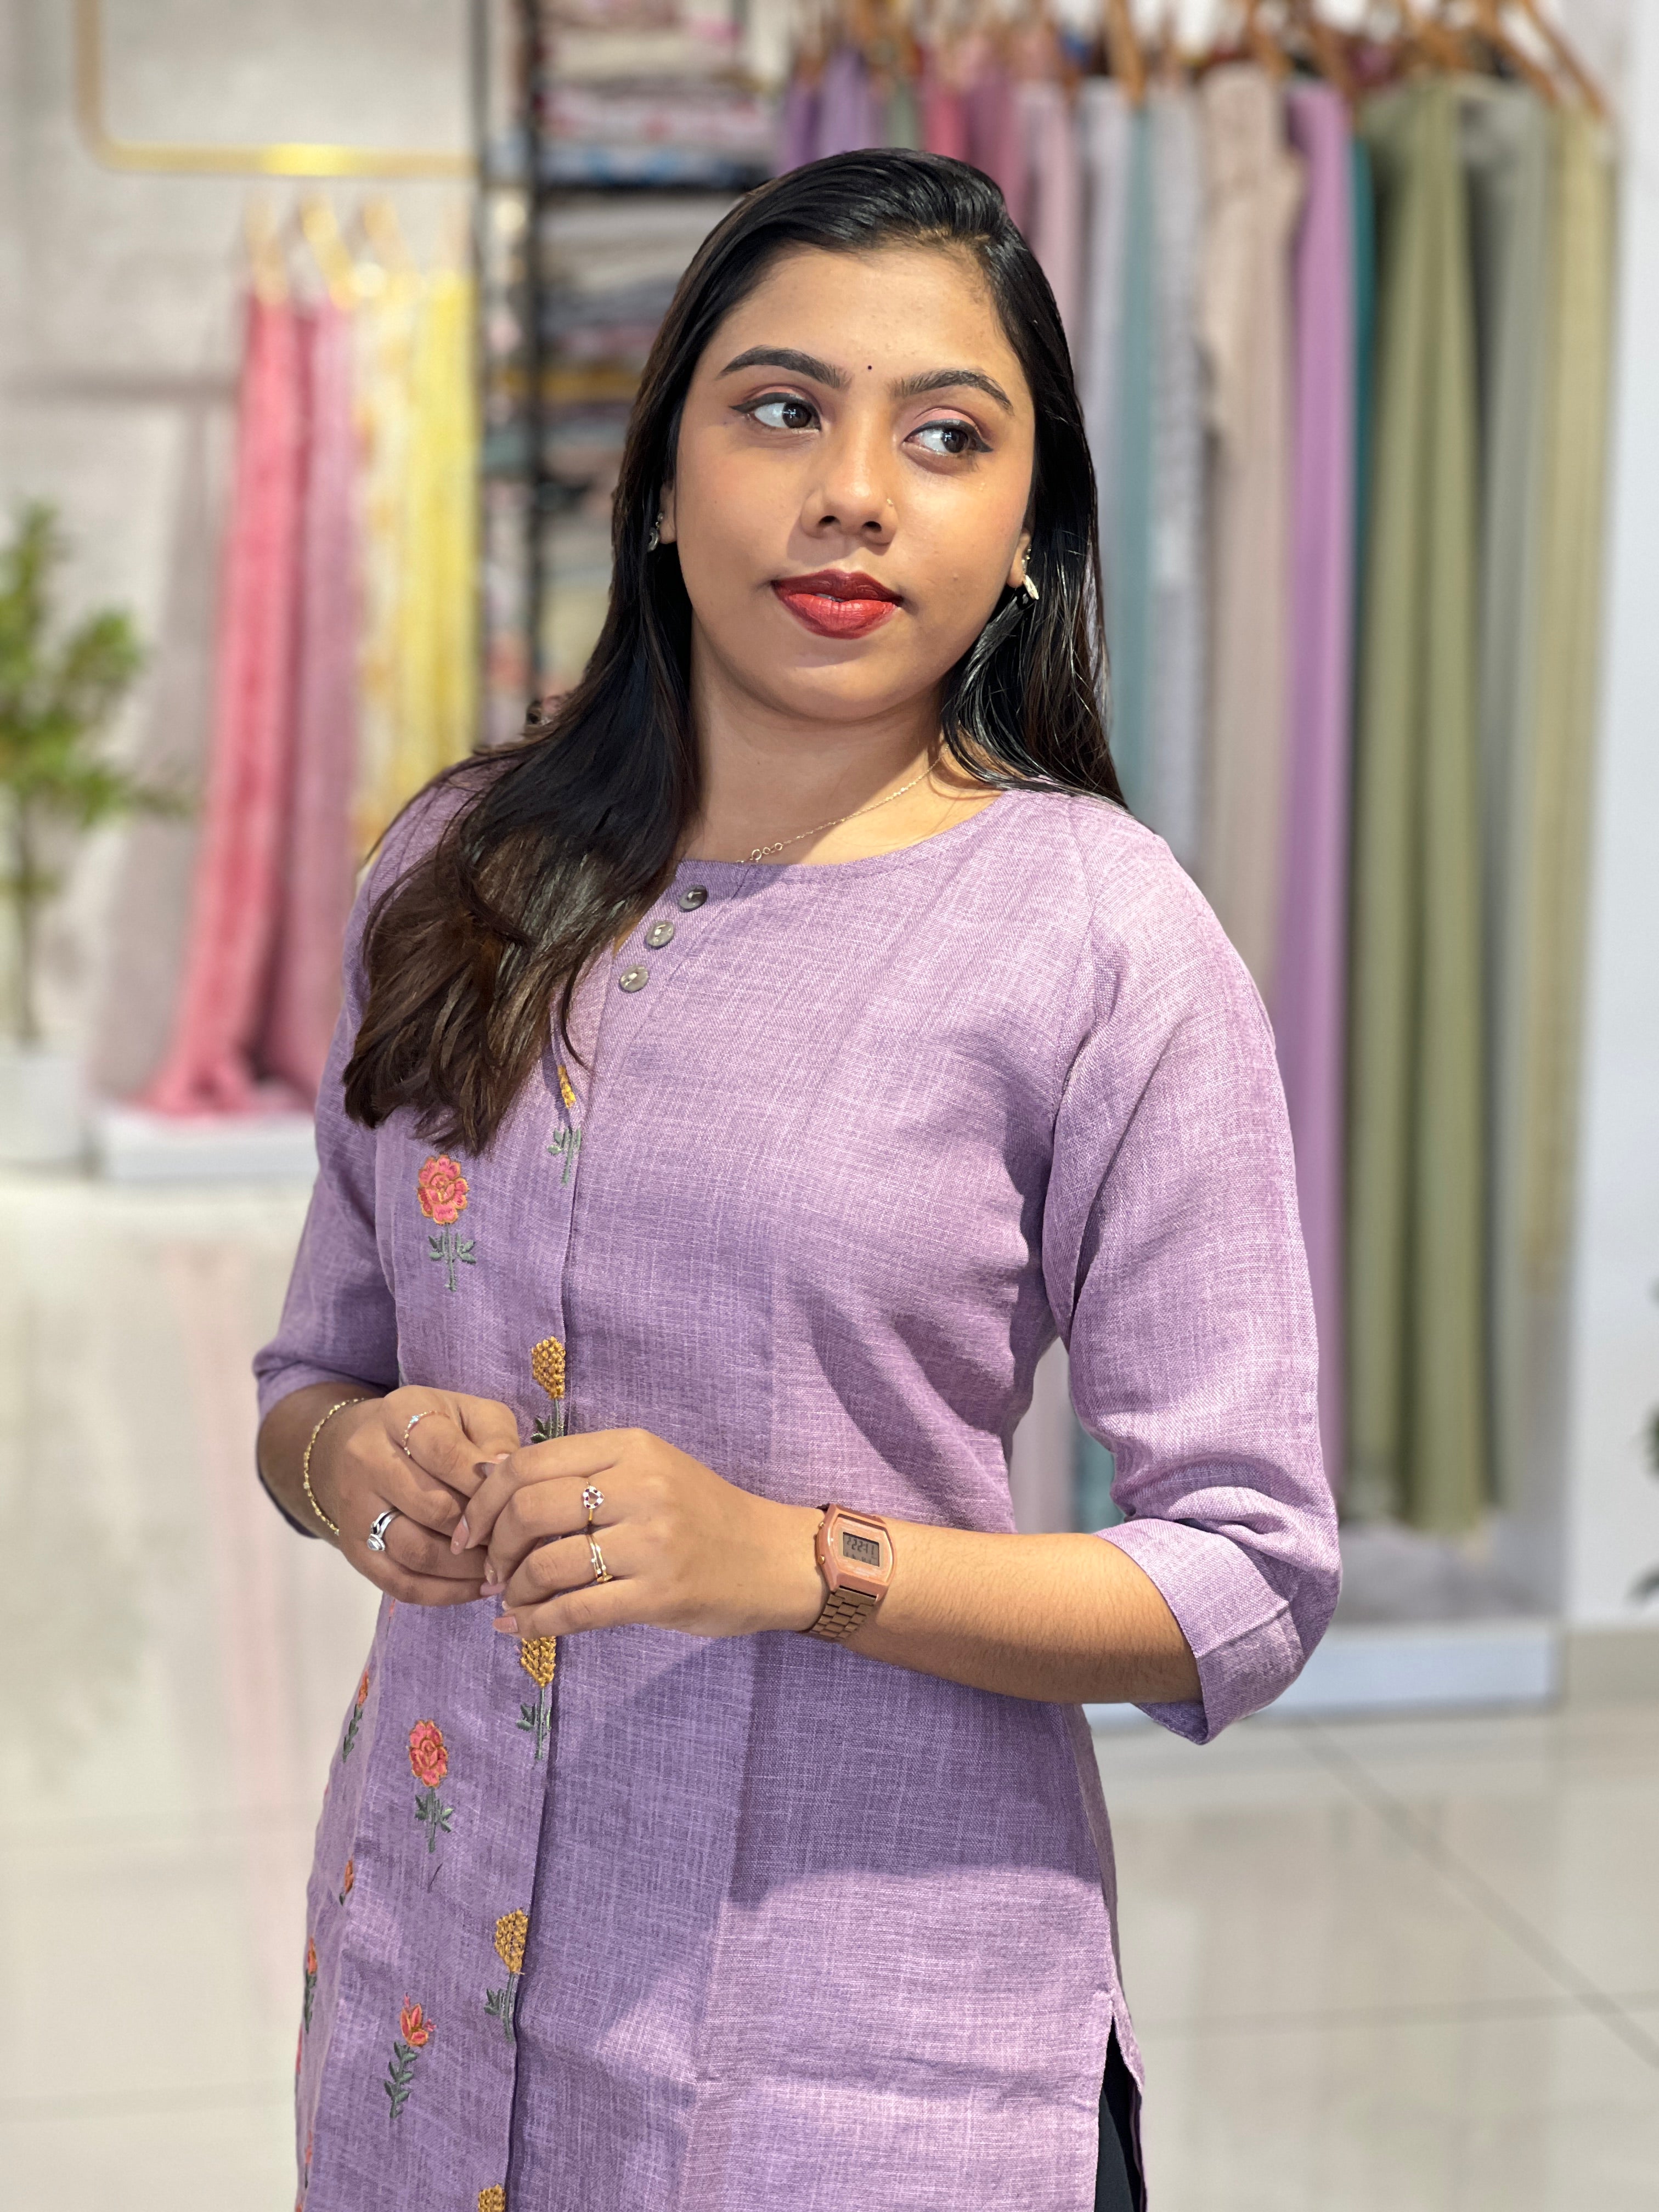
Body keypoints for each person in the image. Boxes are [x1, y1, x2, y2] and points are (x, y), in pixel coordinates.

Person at [255, 149, 1338, 2211]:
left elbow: (1250, 1576)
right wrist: (347, 1462)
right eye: (781, 409)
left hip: (856, 2073)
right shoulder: (458, 871)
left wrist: (793, 1561)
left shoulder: (1101, 940)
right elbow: (309, 1373)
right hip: (429, 2009)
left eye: (947, 436)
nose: (854, 494)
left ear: (1029, 537)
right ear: (662, 482)